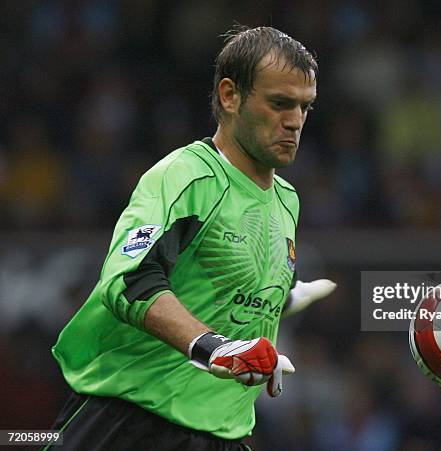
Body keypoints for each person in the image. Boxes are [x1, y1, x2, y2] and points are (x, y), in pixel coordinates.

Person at [47, 26, 336, 450]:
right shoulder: (187, 177)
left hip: (224, 436)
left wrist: (279, 319)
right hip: (130, 423)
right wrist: (213, 349)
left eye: (304, 107)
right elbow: (129, 280)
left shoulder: (287, 201)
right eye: (279, 103)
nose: (294, 121)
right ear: (229, 95)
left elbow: (236, 297)